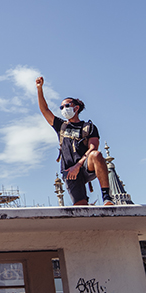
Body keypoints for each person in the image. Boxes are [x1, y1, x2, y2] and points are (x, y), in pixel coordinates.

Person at [36, 77, 113, 206]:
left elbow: (93, 148)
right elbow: (45, 110)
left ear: (76, 108)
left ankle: (107, 196)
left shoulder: (89, 127)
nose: (63, 109)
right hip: (69, 171)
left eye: (67, 106)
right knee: (80, 207)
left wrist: (78, 165)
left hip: (84, 166)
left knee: (97, 155)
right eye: (61, 107)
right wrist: (39, 89)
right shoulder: (61, 126)